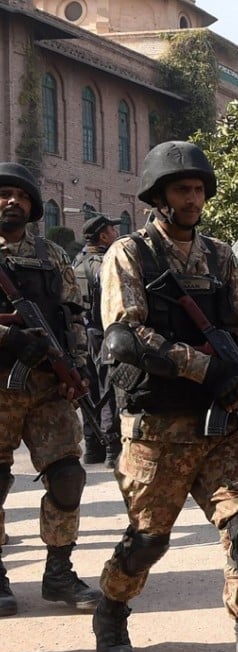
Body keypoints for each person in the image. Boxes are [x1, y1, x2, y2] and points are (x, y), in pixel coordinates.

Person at [90, 141, 238, 652]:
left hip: (222, 429)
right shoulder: (130, 254)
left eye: (198, 190)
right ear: (159, 195)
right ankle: (112, 609)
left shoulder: (219, 255)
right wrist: (206, 370)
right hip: (158, 428)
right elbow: (125, 336)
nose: (193, 199)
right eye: (182, 190)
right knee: (146, 542)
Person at [0, 161, 101, 618]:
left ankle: (58, 571)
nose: (11, 201)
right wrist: (10, 338)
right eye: (4, 194)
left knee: (67, 477)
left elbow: (73, 314)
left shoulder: (51, 255)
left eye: (20, 196)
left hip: (48, 387)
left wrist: (76, 369)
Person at [72, 214, 122, 468]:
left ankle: (93, 448)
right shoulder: (106, 264)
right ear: (103, 236)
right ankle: (112, 448)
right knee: (108, 390)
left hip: (82, 334)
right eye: (113, 230)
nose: (116, 234)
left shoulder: (77, 262)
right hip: (104, 334)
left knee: (89, 388)